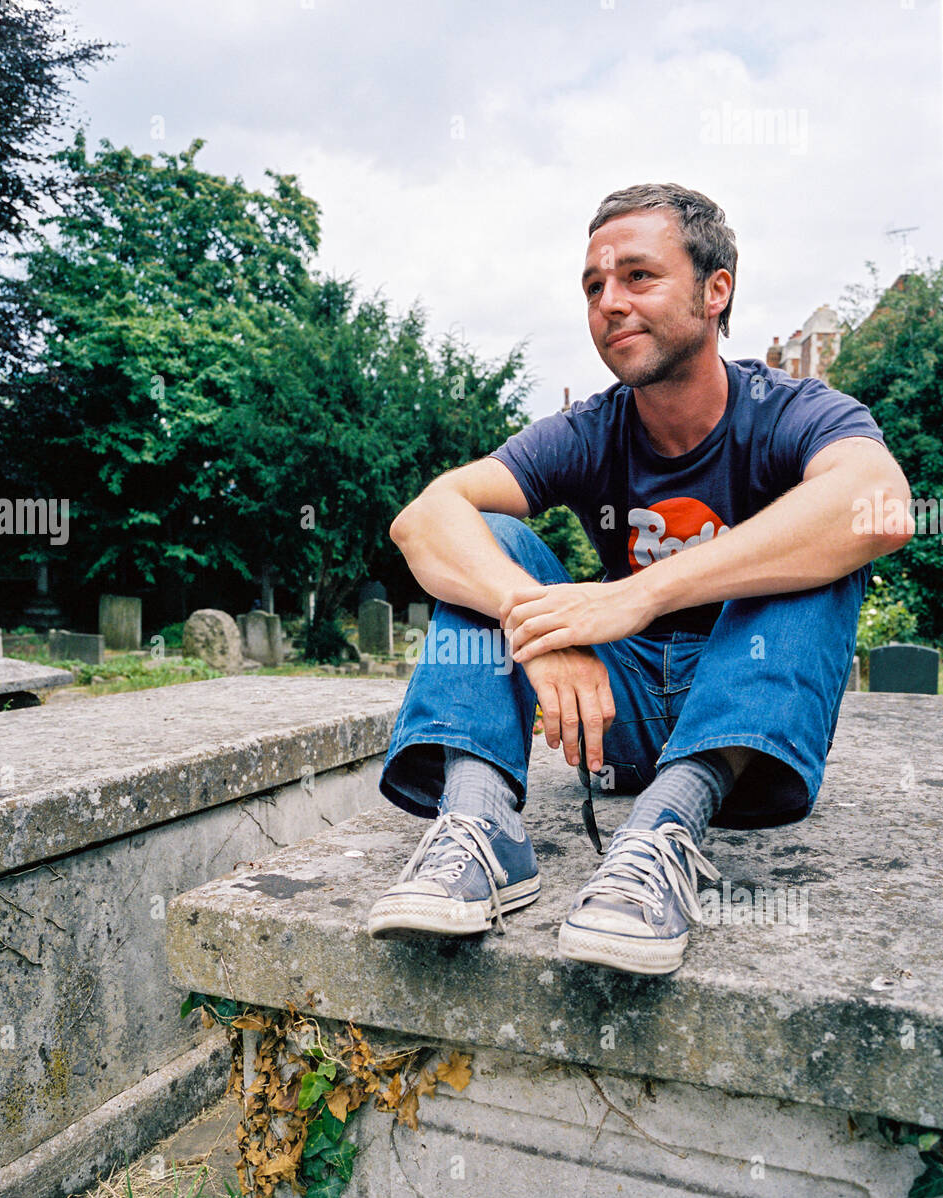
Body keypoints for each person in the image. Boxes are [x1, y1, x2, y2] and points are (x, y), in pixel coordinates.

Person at [367, 182, 913, 975]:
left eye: (637, 277)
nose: (609, 303)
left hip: (740, 720)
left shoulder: (792, 409)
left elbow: (879, 509)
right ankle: (480, 829)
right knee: (487, 540)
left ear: (714, 290)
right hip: (613, 714)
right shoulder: (590, 427)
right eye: (593, 286)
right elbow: (423, 519)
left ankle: (661, 834)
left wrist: (638, 594)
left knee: (822, 548)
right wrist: (537, 624)